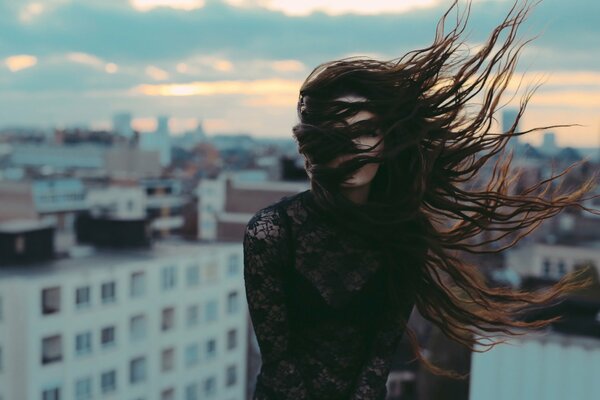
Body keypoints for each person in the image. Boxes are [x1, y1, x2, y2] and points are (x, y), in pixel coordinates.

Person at [243, 0, 599, 399]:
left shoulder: (403, 232)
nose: (354, 147)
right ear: (315, 146)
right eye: (337, 132)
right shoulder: (272, 232)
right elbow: (279, 363)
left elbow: (378, 361)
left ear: (387, 137)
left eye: (365, 129)